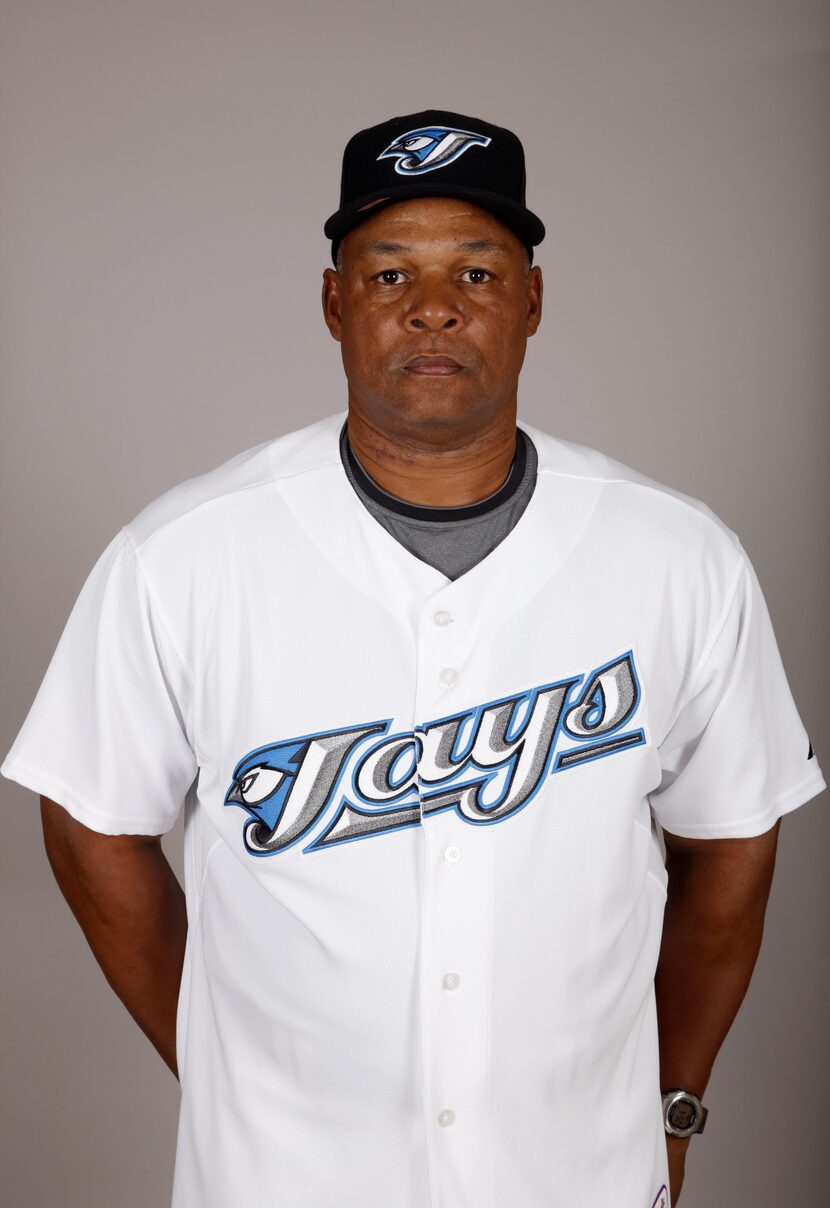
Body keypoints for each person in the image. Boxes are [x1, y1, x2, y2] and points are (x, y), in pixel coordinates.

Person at [1, 109, 824, 1208]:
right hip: (275, 1182)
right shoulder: (184, 554)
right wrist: (218, 1056)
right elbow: (88, 812)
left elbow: (732, 840)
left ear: (532, 301)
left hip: (576, 1178)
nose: (433, 305)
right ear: (333, 303)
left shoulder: (677, 556)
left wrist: (670, 1102)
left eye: (476, 271)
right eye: (389, 274)